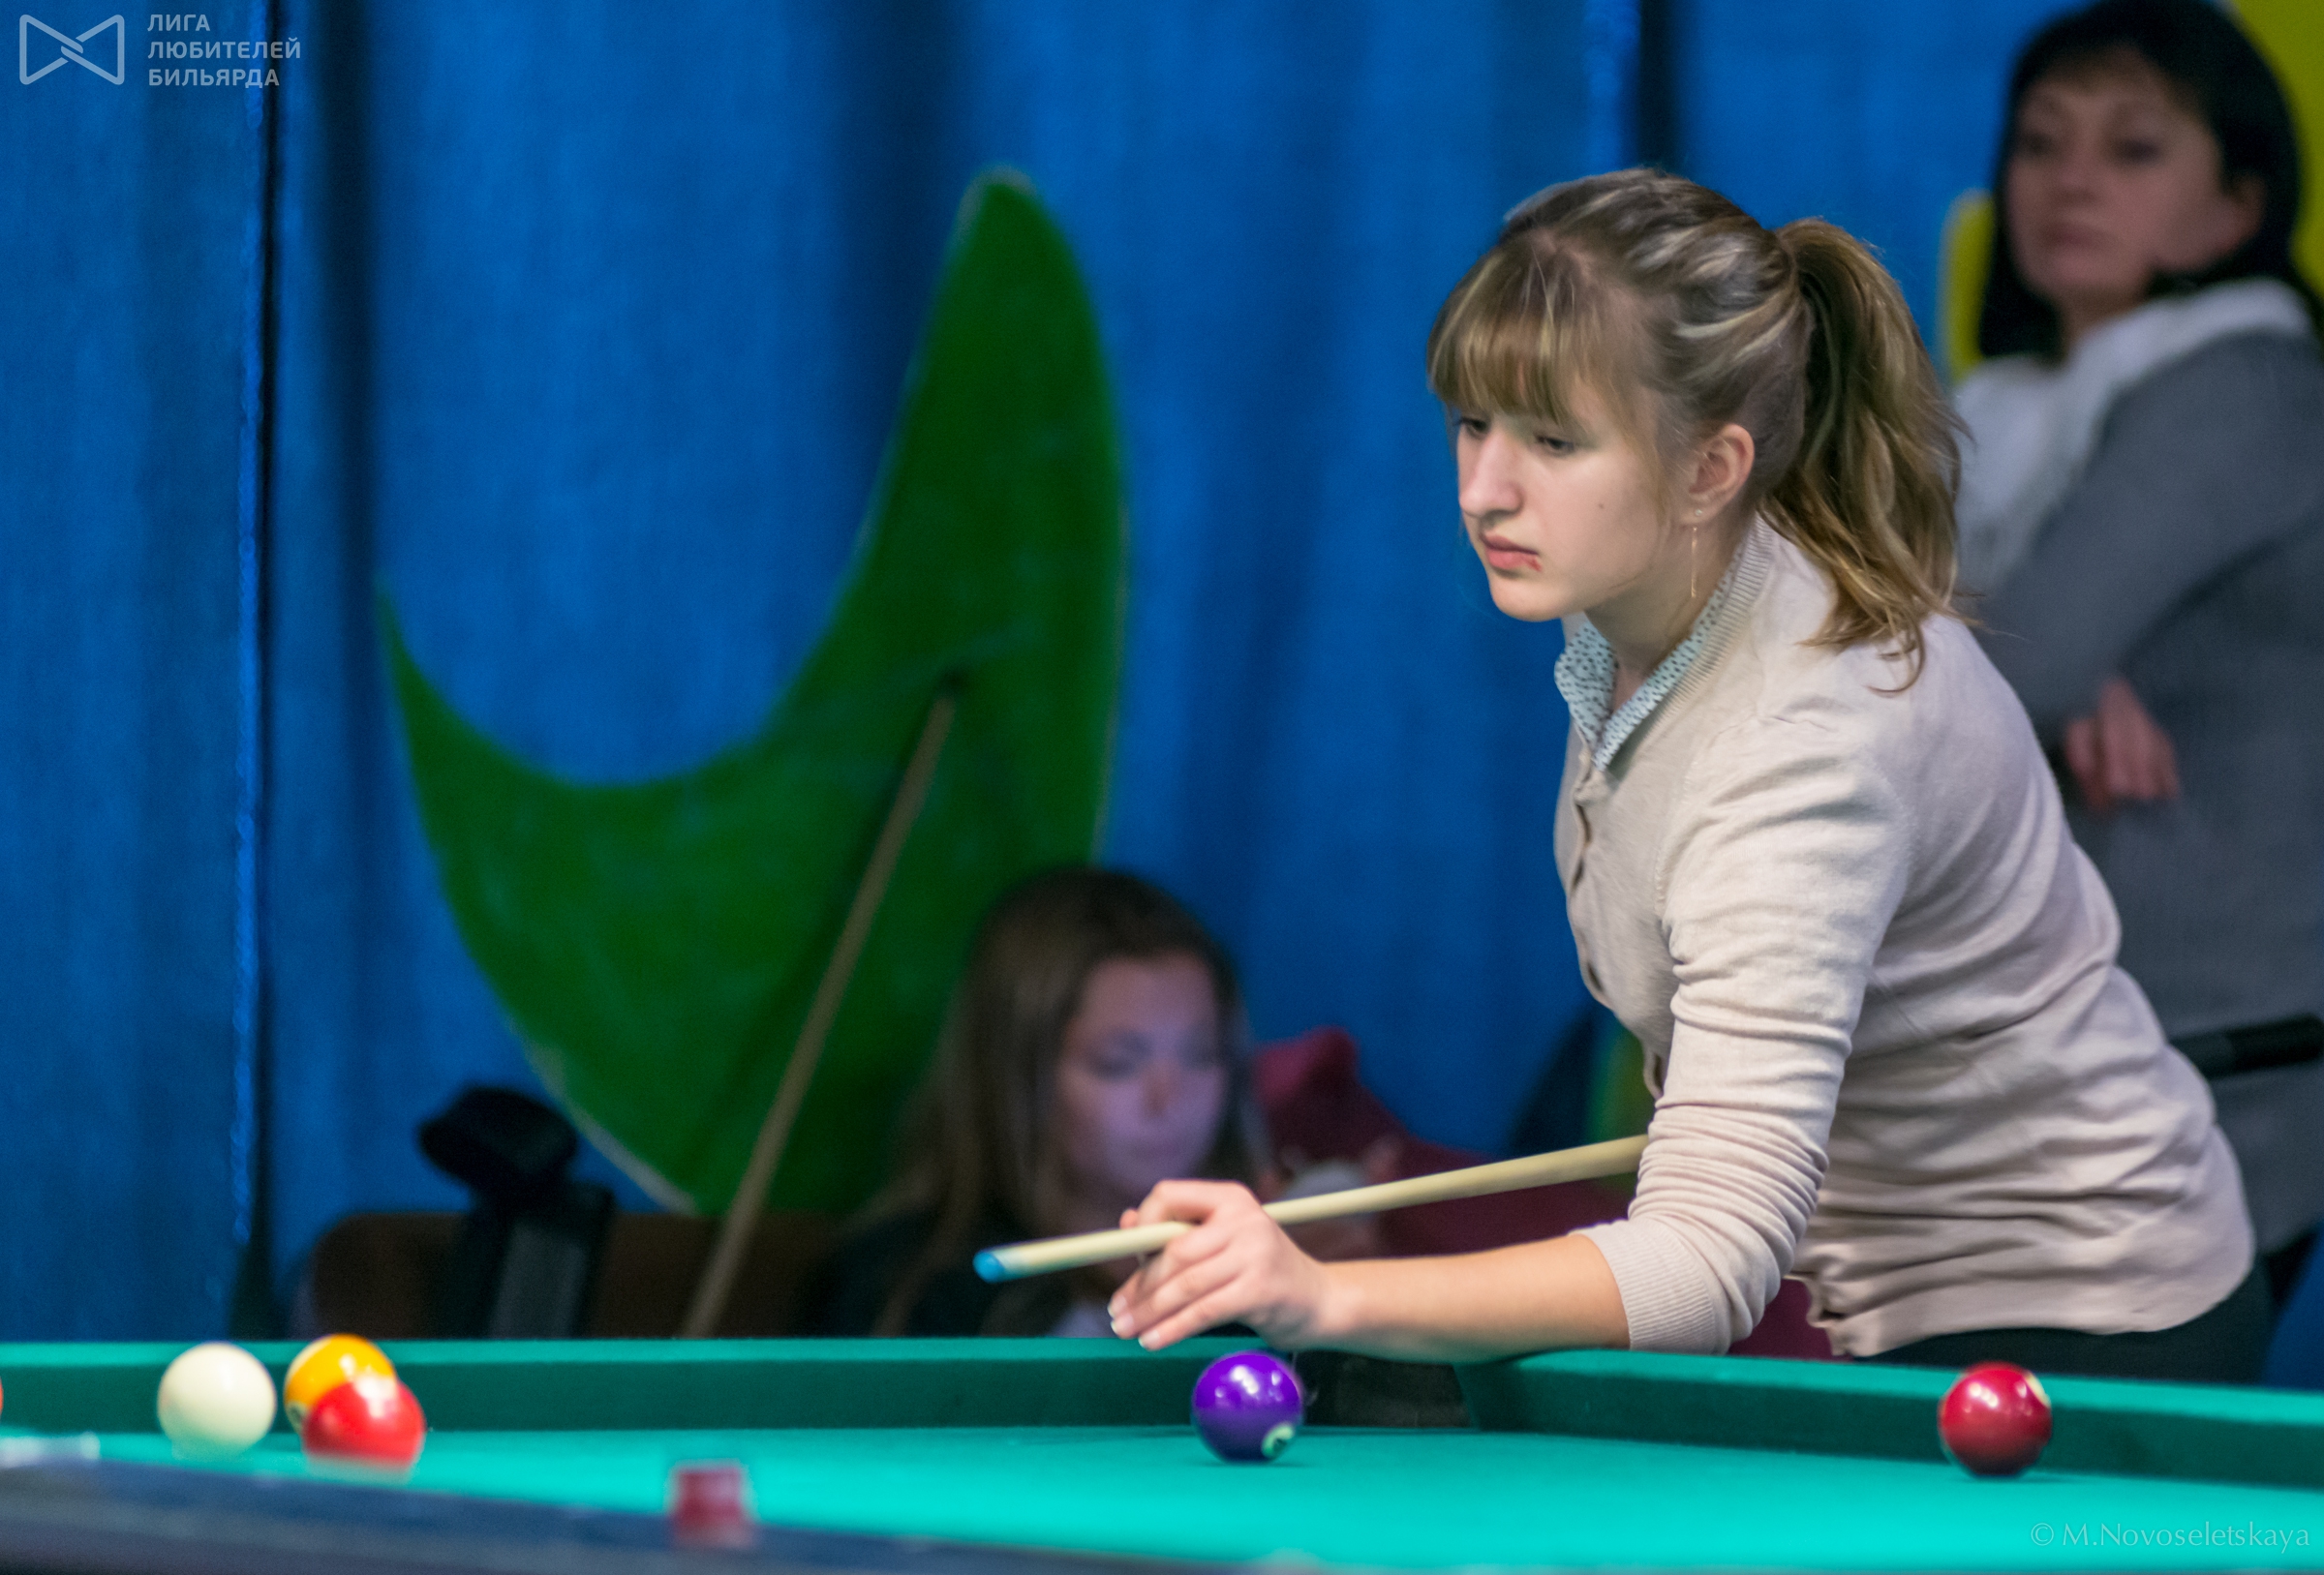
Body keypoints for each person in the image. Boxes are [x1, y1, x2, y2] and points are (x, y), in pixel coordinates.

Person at [1105, 167, 2270, 1382]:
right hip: (1887, 1298)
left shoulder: (1803, 747)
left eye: (1553, 439)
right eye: (1473, 421)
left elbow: (1706, 1265)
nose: (1484, 490)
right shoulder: (1643, 588)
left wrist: (1318, 1292)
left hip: (2084, 1317)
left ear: (1713, 469)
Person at [1955, 0, 2324, 1313]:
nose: (2071, 181)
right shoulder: (1995, 407)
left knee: (2095, 1432)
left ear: (2235, 209)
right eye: (2041, 143)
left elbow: (2002, 667)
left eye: (2133, 148)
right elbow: (1846, 624)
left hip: (2206, 1058)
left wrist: (2041, 649)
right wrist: (2039, 644)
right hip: (2048, 1054)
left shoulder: (2246, 379)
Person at [810, 865, 1257, 1337]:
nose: (1169, 1100)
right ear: (1014, 1076)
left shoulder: (1262, 1271)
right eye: (1117, 1063)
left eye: (1203, 1055)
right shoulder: (901, 1286)